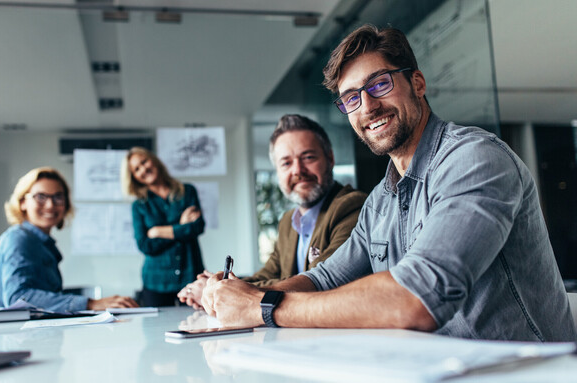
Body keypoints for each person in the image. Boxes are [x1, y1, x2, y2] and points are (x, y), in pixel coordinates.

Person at [201, 25, 577, 341]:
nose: (366, 106)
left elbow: (417, 298)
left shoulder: (474, 159)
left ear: (417, 82)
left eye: (379, 84)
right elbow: (325, 278)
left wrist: (263, 307)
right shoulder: (381, 199)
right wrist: (243, 295)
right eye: (351, 98)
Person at [177, 115, 367, 309]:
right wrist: (221, 285)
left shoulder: (351, 207)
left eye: (308, 157)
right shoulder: (288, 221)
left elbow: (321, 280)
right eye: (286, 163)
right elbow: (269, 274)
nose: (298, 170)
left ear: (330, 158)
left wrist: (220, 291)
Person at [0, 167, 138, 312]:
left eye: (58, 197)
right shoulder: (19, 240)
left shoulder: (41, 243)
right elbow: (18, 298)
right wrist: (89, 303)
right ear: (23, 202)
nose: (50, 205)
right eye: (40, 197)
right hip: (15, 334)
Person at [122, 147, 205, 307]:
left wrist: (158, 231)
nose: (143, 169)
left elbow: (197, 227)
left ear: (153, 160)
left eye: (144, 161)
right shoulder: (139, 205)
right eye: (136, 169)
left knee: (197, 325)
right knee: (155, 330)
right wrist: (181, 226)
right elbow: (145, 245)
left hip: (190, 275)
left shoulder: (187, 191)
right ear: (134, 177)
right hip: (156, 282)